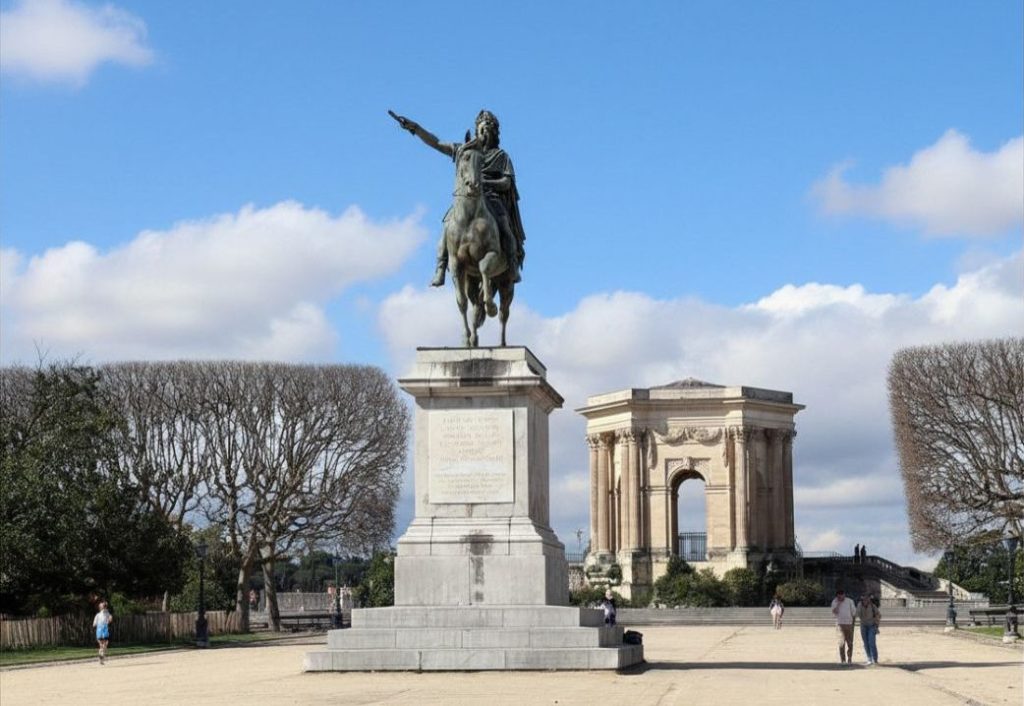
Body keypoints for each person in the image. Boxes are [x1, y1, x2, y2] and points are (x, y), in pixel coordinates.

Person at [391, 109, 526, 286]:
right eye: (481, 129)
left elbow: (507, 183)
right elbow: (437, 143)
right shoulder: (463, 151)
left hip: (492, 199)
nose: (484, 133)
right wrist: (415, 128)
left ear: (494, 133)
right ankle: (441, 267)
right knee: (447, 224)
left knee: (505, 228)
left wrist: (485, 183)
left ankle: (512, 265)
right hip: (466, 198)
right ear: (476, 131)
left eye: (487, 130)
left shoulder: (501, 156)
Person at [830, 588, 856, 664]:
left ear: (844, 595)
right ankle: (843, 660)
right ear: (837, 596)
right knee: (841, 643)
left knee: (850, 643)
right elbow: (834, 612)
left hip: (849, 624)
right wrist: (838, 603)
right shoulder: (834, 601)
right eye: (839, 596)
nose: (841, 598)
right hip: (839, 625)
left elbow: (854, 613)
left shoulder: (850, 601)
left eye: (842, 596)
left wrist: (852, 623)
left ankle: (850, 658)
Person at [856, 593, 881, 665]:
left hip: (872, 625)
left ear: (869, 599)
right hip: (863, 625)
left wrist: (876, 624)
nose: (866, 600)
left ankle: (875, 659)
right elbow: (857, 614)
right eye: (864, 599)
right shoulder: (859, 605)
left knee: (871, 642)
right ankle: (869, 658)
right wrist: (860, 606)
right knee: (865, 643)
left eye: (867, 598)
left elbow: (878, 615)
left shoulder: (873, 606)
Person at [93, 601, 113, 665]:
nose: (104, 607)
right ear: (100, 608)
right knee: (103, 645)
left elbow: (110, 618)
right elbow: (94, 624)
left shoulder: (105, 613)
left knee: (103, 646)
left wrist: (109, 620)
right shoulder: (100, 614)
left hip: (102, 629)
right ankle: (101, 657)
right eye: (102, 606)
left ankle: (101, 658)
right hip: (101, 629)